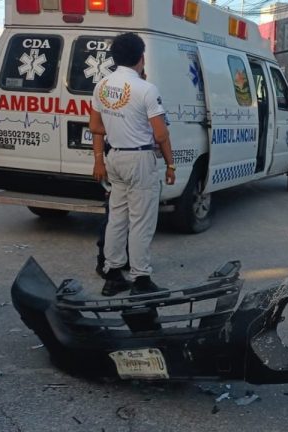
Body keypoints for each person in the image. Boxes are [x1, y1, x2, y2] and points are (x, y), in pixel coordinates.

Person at [90, 33, 175, 297]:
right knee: (141, 222)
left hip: (114, 157)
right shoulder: (146, 89)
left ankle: (113, 275)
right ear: (141, 58)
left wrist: (100, 158)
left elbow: (95, 127)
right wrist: (170, 164)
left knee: (117, 218)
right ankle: (140, 279)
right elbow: (160, 134)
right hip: (139, 159)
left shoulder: (101, 86)